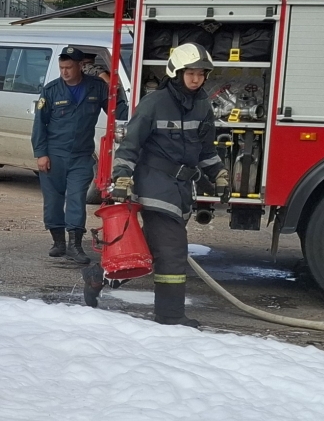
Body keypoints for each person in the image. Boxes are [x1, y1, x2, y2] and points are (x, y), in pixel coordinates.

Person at [107, 42, 223, 326]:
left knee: (150, 248)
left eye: (201, 74)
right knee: (172, 251)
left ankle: (99, 277)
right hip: (155, 185)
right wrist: (122, 176)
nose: (196, 79)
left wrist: (219, 174)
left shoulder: (202, 106)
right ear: (176, 73)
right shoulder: (153, 104)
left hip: (181, 189)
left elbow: (206, 150)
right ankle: (170, 315)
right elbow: (130, 146)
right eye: (191, 73)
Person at [32, 46, 111, 263]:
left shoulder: (96, 87)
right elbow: (39, 125)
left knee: (76, 198)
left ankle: (75, 245)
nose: (64, 72)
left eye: (68, 67)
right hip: (54, 155)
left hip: (81, 156)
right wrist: (41, 154)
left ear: (80, 66)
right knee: (53, 201)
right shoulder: (51, 90)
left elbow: (117, 110)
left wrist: (119, 90)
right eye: (61, 68)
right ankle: (58, 242)